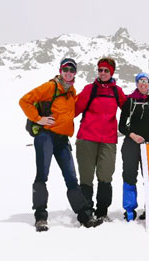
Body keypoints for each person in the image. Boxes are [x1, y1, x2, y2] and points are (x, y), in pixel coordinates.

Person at [19, 58, 102, 231]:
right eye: (66, 69)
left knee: (71, 178)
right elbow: (24, 100)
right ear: (60, 70)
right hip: (45, 137)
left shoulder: (71, 92)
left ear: (75, 74)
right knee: (42, 176)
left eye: (72, 70)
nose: (68, 72)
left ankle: (85, 216)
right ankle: (40, 217)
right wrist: (39, 119)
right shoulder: (50, 87)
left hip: (63, 140)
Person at [74, 57, 127, 221]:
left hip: (108, 140)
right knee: (86, 177)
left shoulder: (117, 91)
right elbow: (73, 110)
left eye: (106, 70)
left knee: (105, 176)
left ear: (112, 72)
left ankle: (102, 211)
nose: (103, 73)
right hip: (87, 138)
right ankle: (86, 211)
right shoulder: (90, 89)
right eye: (100, 70)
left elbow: (129, 109)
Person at [118, 72, 149, 221]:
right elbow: (122, 126)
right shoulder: (130, 101)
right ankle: (129, 209)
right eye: (140, 81)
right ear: (136, 84)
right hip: (131, 145)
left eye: (145, 81)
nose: (143, 83)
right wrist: (133, 136)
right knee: (129, 175)